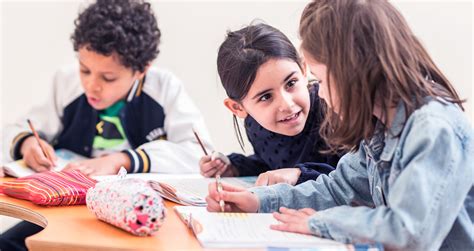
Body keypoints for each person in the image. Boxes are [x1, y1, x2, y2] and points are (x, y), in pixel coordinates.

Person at [206, 0, 473, 250]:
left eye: (321, 80)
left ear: (353, 72)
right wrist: (257, 201)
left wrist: (320, 223)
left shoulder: (434, 130)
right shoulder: (379, 129)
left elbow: (408, 233)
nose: (319, 94)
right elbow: (337, 188)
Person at [0, 0, 212, 250]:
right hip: (70, 209)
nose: (91, 85)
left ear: (141, 70)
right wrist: (28, 143)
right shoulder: (65, 82)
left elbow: (198, 154)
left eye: (108, 77)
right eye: (85, 70)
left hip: (137, 213)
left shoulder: (164, 89)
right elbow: (17, 128)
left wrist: (123, 160)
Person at [200, 23, 339, 186]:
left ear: (303, 70)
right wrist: (234, 167)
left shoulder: (335, 109)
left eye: (291, 83)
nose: (287, 105)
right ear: (238, 108)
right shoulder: (256, 126)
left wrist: (300, 175)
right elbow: (273, 164)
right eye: (266, 97)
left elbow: (358, 178)